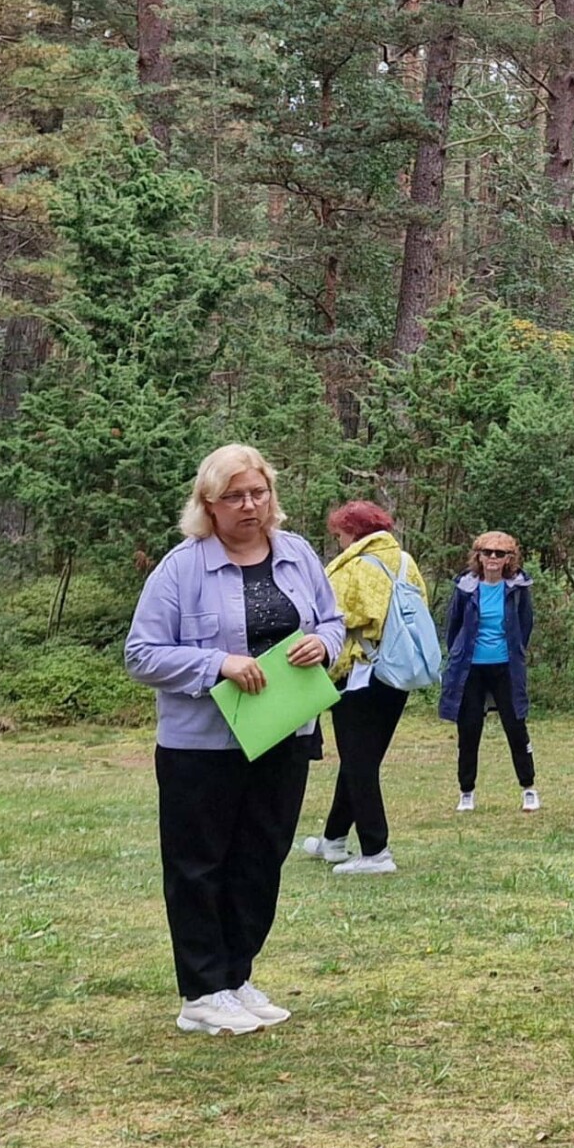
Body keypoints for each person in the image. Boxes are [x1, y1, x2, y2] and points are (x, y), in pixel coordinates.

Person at [125, 444, 344, 1037]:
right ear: (208, 504)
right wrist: (217, 664)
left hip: (284, 732)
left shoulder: (297, 555)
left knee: (260, 857)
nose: (251, 506)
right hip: (201, 745)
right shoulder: (181, 566)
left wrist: (323, 644)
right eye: (235, 496)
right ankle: (201, 991)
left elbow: (333, 620)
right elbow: (141, 654)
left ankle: (236, 975)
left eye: (259, 492)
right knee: (200, 864)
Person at [299, 499, 426, 876]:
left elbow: (338, 615)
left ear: (352, 532)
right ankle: (334, 839)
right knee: (361, 759)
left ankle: (376, 850)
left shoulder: (356, 566)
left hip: (359, 672)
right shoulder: (404, 561)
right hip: (397, 672)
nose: (337, 541)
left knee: (358, 761)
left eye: (338, 534)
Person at [439, 531, 537, 813]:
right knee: (468, 729)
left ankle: (528, 787)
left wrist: (515, 651)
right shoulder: (465, 588)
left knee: (515, 726)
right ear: (478, 556)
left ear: (509, 559)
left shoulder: (517, 589)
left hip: (506, 667)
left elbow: (525, 625)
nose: (493, 558)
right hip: (471, 668)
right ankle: (466, 791)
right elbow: (453, 627)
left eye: (500, 554)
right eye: (487, 553)